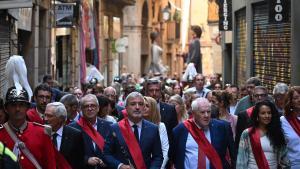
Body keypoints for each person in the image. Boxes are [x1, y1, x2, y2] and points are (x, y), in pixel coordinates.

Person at [169, 97, 235, 169]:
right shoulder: (180, 130)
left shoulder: (223, 127)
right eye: (202, 112)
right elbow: (172, 157)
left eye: (208, 112)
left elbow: (234, 155)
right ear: (194, 113)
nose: (206, 115)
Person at [0, 87, 56, 169]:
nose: (17, 109)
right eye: (13, 105)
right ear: (6, 108)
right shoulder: (1, 133)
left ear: (28, 107)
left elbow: (50, 165)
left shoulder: (41, 132)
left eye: (21, 105)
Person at [103, 92, 163, 169]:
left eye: (141, 104)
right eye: (133, 104)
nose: (137, 107)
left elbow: (158, 156)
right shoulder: (115, 128)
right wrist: (120, 166)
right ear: (126, 108)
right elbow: (106, 154)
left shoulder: (153, 129)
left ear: (144, 108)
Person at [236, 100, 289, 169]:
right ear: (257, 115)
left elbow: (284, 158)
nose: (267, 116)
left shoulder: (278, 133)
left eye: (269, 113)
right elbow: (241, 159)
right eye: (263, 113)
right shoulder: (248, 133)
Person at [69, 94, 112, 169]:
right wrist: (86, 160)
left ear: (98, 108)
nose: (90, 108)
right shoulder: (72, 128)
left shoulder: (109, 126)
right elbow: (69, 153)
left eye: (93, 105)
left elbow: (113, 150)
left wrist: (107, 161)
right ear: (81, 109)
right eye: (86, 106)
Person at [44, 102, 85, 169]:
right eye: (45, 115)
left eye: (49, 116)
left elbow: (79, 162)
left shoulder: (75, 135)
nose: (45, 119)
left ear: (61, 119)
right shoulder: (40, 132)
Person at [235, 86, 269, 150]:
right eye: (256, 96)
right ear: (252, 98)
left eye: (262, 95)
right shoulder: (243, 116)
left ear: (267, 97)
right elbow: (238, 141)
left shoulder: (275, 114)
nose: (259, 98)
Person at [143, 96, 169, 169]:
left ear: (153, 109)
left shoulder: (161, 126)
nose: (144, 108)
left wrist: (160, 167)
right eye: (142, 105)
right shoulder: (135, 125)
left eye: (147, 106)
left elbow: (165, 150)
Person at [280, 86, 300, 168]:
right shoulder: (283, 121)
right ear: (290, 102)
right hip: (292, 164)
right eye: (296, 98)